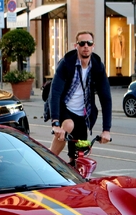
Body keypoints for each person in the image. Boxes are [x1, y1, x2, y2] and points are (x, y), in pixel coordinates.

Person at [48, 31, 112, 166]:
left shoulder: (97, 66)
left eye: (89, 43)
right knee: (68, 125)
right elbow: (55, 93)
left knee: (79, 158)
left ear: (93, 46)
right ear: (75, 45)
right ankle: (48, 162)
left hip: (84, 114)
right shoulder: (66, 63)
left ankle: (73, 180)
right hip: (64, 107)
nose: (85, 46)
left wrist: (106, 130)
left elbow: (105, 98)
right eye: (82, 43)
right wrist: (55, 123)